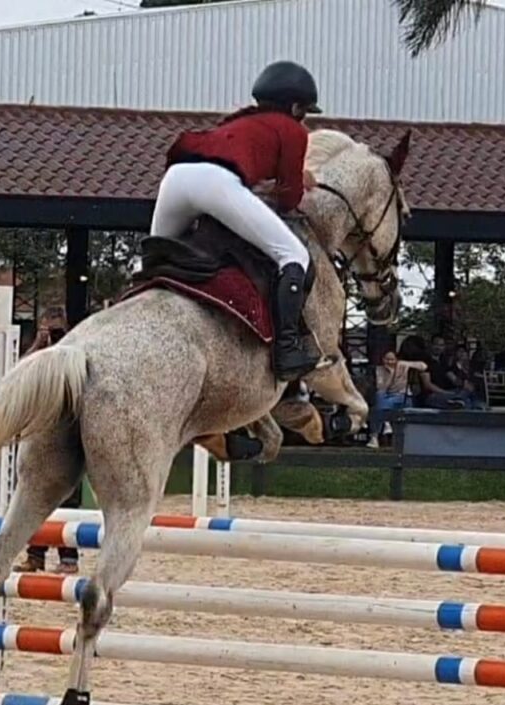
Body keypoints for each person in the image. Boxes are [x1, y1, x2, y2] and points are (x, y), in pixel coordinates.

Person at [150, 60, 325, 382]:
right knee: (295, 256)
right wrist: (301, 182)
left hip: (175, 180)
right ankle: (287, 349)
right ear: (296, 105)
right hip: (216, 184)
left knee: (154, 257)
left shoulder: (237, 120)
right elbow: (289, 199)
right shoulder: (293, 130)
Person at [13, 308, 81, 574]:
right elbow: (20, 371)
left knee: (67, 497)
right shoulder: (37, 354)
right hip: (41, 429)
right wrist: (39, 345)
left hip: (67, 430)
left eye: (56, 327)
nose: (53, 332)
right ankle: (35, 555)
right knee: (35, 497)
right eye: (48, 327)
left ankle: (68, 557)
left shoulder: (75, 347)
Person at [366, 349, 427, 448]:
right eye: (387, 359)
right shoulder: (379, 370)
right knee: (379, 401)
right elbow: (382, 388)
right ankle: (375, 435)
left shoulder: (402, 365)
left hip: (402, 396)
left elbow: (423, 366)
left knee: (407, 405)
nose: (389, 362)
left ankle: (403, 433)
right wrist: (391, 374)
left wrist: (406, 364)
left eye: (392, 359)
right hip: (386, 396)